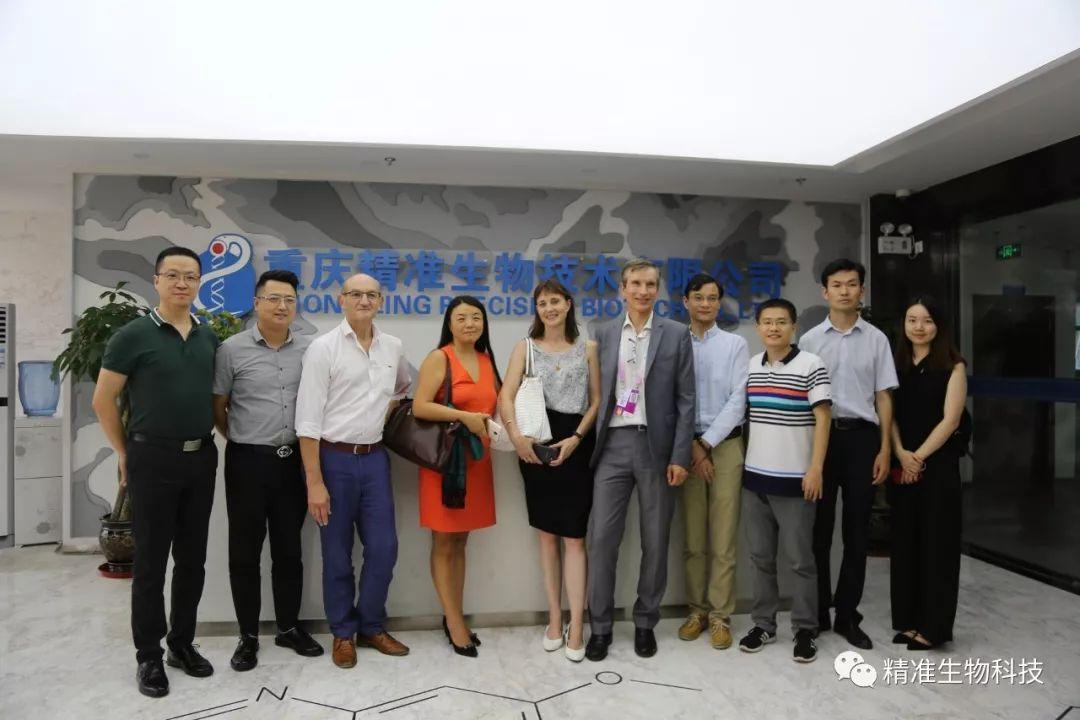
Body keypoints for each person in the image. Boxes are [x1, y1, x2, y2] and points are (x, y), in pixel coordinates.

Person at [93, 246, 220, 698]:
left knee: (193, 559)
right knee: (150, 563)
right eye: (173, 275)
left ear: (199, 282)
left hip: (201, 457)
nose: (182, 283)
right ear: (157, 280)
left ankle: (181, 644)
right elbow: (103, 400)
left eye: (191, 276)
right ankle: (148, 654)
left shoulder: (209, 338)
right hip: (152, 459)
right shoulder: (132, 336)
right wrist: (123, 451)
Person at [295, 273, 411, 669]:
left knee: (384, 548)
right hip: (333, 460)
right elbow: (307, 421)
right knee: (337, 553)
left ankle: (371, 625)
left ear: (381, 301)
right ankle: (343, 632)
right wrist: (314, 482)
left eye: (372, 295)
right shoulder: (323, 348)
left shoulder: (392, 347)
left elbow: (402, 389)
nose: (364, 300)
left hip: (375, 459)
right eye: (356, 294)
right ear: (341, 299)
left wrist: (381, 416)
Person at [584, 258, 696, 662]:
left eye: (650, 284)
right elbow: (592, 393)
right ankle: (600, 627)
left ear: (657, 289)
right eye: (635, 283)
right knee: (601, 540)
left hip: (657, 449)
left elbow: (686, 399)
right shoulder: (602, 332)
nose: (643, 291)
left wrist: (681, 455)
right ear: (622, 288)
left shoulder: (676, 334)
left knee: (655, 540)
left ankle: (646, 622)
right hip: (612, 446)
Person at [212, 269, 322, 672]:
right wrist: (244, 439)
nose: (281, 306)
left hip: (293, 462)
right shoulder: (231, 350)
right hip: (247, 462)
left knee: (289, 551)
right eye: (273, 299)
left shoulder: (310, 349)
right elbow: (218, 406)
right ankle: (247, 636)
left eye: (289, 300)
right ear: (257, 303)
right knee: (244, 552)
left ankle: (288, 627)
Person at [497, 280, 601, 662]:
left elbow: (596, 401)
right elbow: (505, 395)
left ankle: (578, 623)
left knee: (574, 538)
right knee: (546, 537)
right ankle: (554, 619)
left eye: (555, 301)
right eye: (542, 303)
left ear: (568, 304)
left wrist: (575, 438)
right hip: (535, 442)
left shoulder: (588, 348)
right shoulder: (524, 347)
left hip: (577, 444)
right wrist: (516, 438)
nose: (549, 308)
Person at [800, 258, 898, 650]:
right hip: (821, 442)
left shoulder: (877, 340)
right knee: (819, 531)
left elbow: (883, 396)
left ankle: (847, 614)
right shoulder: (809, 341)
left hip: (862, 440)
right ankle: (818, 611)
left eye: (852, 284)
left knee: (857, 531)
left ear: (862, 290)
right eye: (837, 285)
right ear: (825, 292)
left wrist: (885, 449)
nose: (845, 291)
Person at [738, 298, 831, 664]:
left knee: (800, 561)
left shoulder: (812, 365)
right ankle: (763, 624)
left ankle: (805, 629)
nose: (773, 328)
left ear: (794, 327)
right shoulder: (751, 366)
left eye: (781, 322)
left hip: (796, 481)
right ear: (758, 327)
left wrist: (816, 468)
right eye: (767, 322)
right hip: (755, 480)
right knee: (760, 558)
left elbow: (823, 419)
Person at [413, 296, 501, 658]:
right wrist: (463, 417)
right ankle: (453, 622)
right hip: (446, 464)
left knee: (461, 542)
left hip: (477, 463)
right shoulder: (440, 358)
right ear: (449, 323)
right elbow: (420, 406)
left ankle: (455, 615)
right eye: (461, 317)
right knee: (444, 541)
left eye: (476, 317)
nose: (469, 324)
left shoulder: (487, 360)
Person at [889, 297, 967, 650]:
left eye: (927, 320)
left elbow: (951, 420)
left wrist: (917, 458)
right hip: (902, 462)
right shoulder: (896, 365)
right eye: (912, 320)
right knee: (906, 543)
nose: (919, 327)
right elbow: (887, 413)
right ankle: (908, 621)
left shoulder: (953, 366)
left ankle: (933, 628)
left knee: (938, 546)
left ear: (939, 325)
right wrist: (900, 453)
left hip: (937, 466)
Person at [676, 273, 748, 650]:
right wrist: (692, 445)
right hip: (685, 448)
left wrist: (705, 443)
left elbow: (739, 400)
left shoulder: (735, 345)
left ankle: (720, 615)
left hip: (725, 447)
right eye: (698, 297)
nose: (705, 304)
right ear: (685, 301)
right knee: (693, 538)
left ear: (720, 303)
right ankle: (697, 610)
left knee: (723, 537)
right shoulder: (673, 342)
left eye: (712, 298)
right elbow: (669, 396)